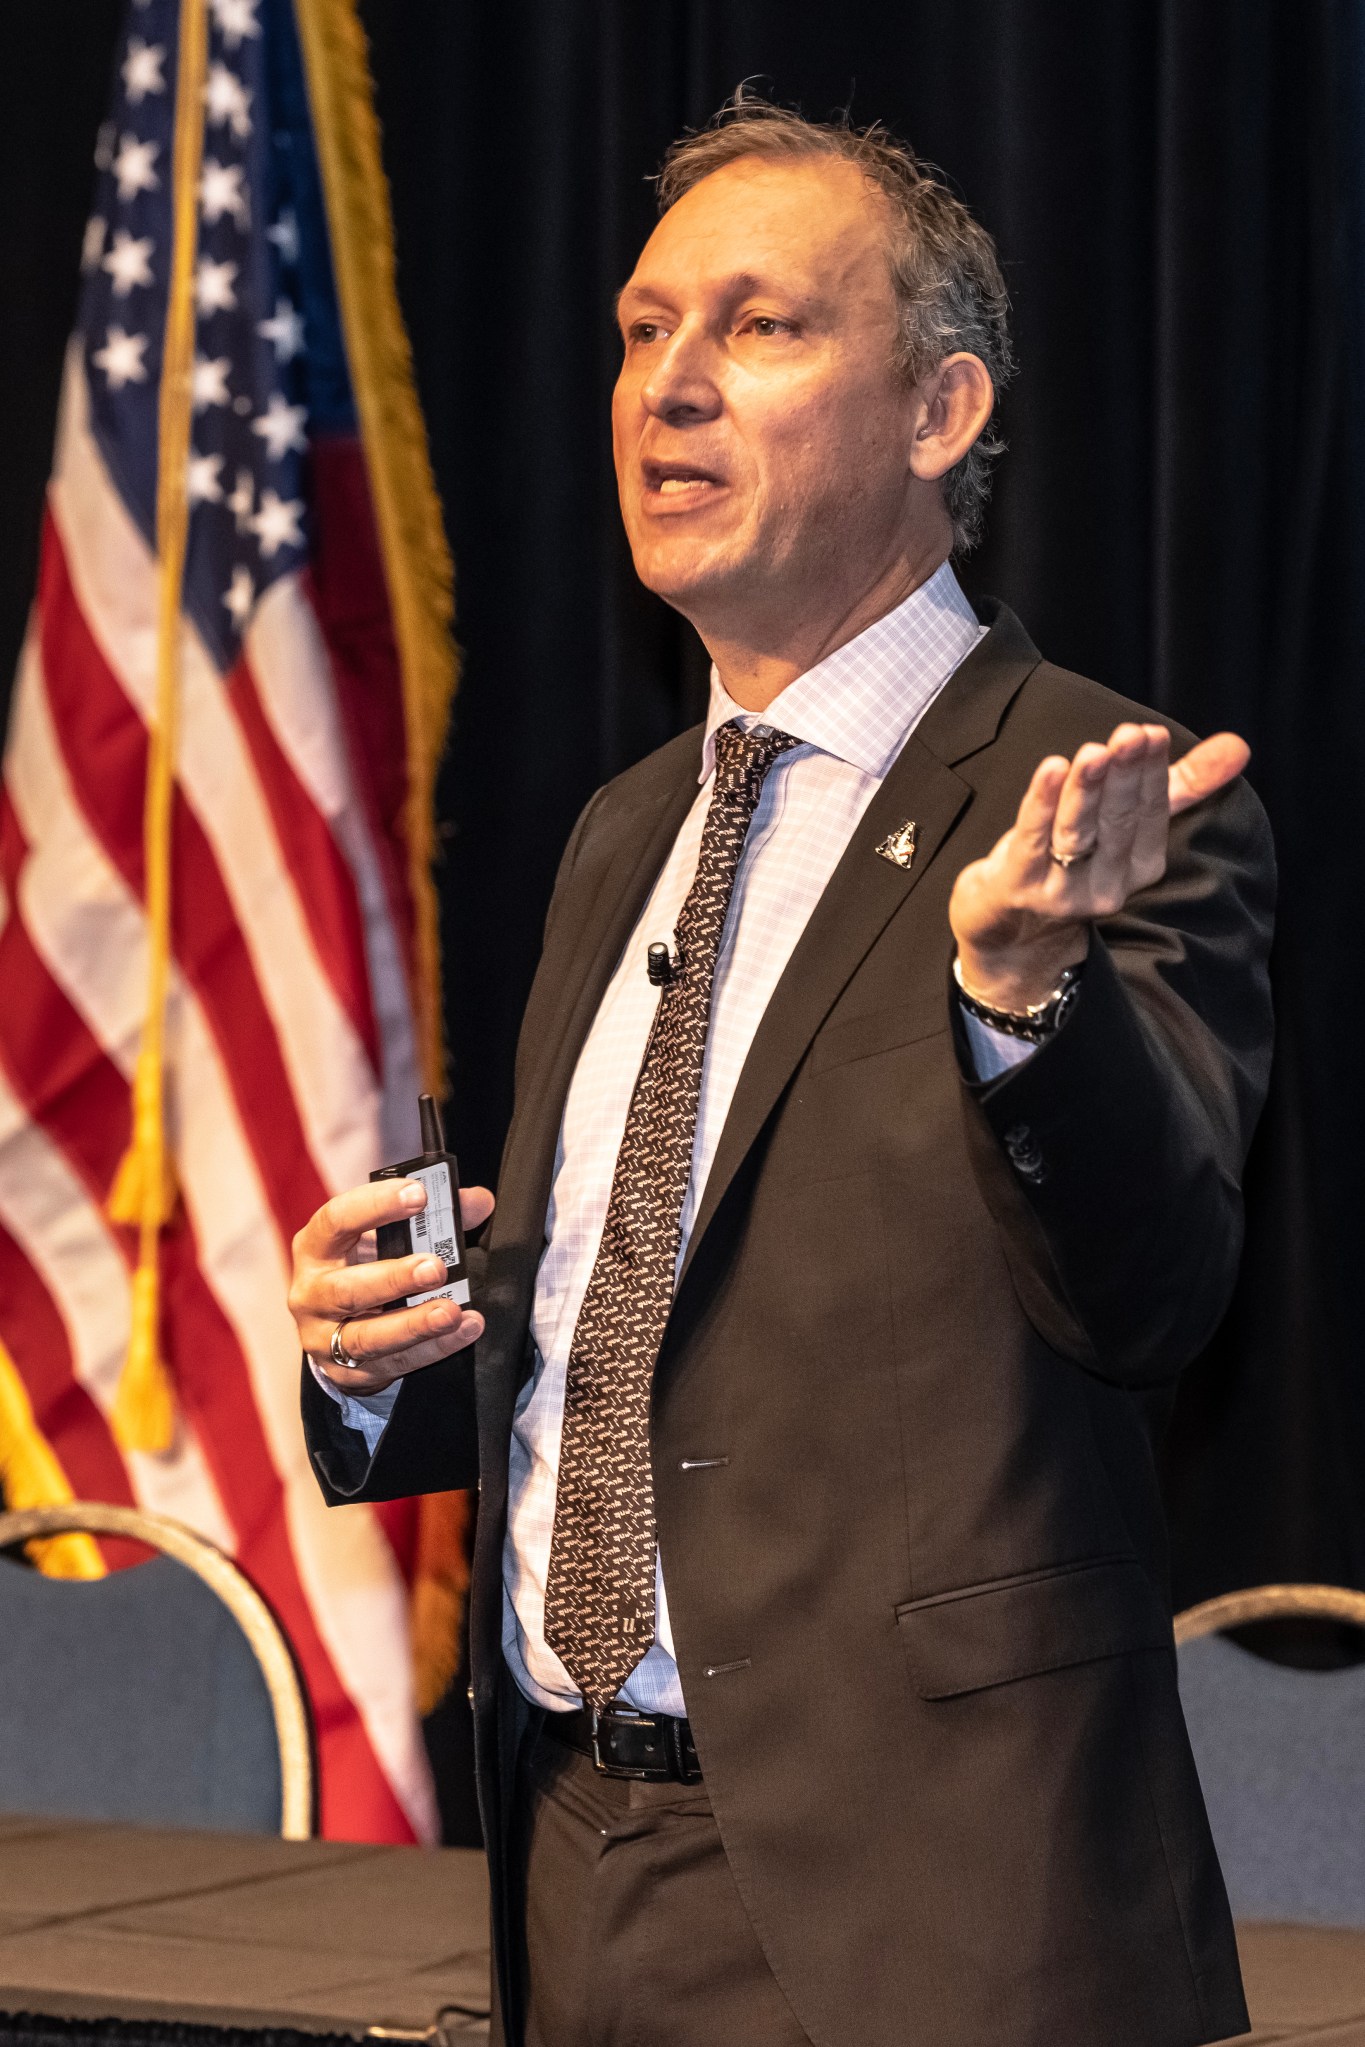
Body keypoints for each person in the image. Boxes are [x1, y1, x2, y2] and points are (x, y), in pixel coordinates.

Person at [290, 96, 1273, 2047]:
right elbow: (637, 1296)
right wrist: (388, 1352)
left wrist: (1018, 1006)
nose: (663, 391)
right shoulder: (623, 828)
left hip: (937, 1921)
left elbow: (1151, 1292)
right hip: (573, 1869)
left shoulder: (1105, 797)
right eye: (640, 332)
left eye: (753, 329)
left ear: (938, 408)